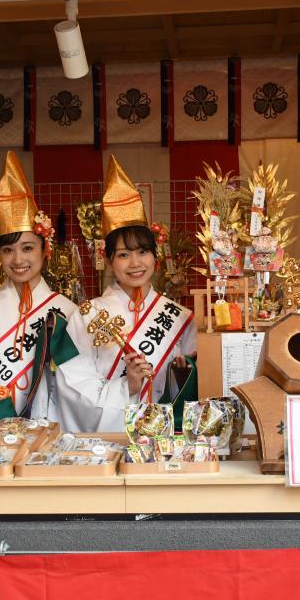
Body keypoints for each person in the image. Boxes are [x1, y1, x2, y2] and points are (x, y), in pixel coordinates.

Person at [56, 155, 197, 432]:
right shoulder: (88, 315)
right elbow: (73, 384)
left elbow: (199, 383)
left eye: (143, 252)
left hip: (168, 436)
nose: (135, 263)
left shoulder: (180, 317)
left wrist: (185, 372)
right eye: (123, 254)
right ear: (108, 261)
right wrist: (127, 386)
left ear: (155, 257)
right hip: (111, 439)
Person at [0, 151, 78, 420]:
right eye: (8, 250)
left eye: (28, 248)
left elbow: (79, 384)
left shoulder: (67, 311)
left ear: (46, 250)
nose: (18, 259)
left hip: (46, 425)